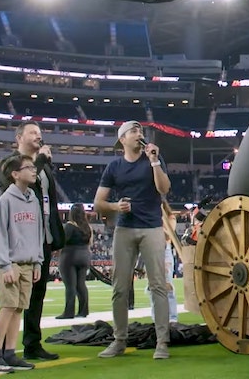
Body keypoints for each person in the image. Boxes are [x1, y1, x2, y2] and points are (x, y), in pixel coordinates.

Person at [94, 121, 171, 360]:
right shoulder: (114, 167)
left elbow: (164, 189)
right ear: (123, 140)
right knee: (120, 287)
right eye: (134, 131)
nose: (139, 134)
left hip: (151, 227)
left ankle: (162, 342)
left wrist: (155, 161)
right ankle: (119, 340)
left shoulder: (152, 160)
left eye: (140, 131)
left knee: (158, 285)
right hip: (125, 228)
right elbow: (98, 202)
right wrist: (116, 206)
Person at [0, 122, 64, 361]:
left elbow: (49, 203)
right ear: (19, 137)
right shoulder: (11, 164)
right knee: (14, 299)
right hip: (20, 240)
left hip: (41, 237)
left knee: (37, 294)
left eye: (39, 132)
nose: (39, 136)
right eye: (33, 132)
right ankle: (4, 348)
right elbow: (16, 188)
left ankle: (31, 343)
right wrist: (40, 162)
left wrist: (55, 235)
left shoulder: (43, 167)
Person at [0, 155, 45, 375]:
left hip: (29, 263)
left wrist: (38, 261)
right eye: (28, 167)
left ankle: (10, 353)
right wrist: (4, 264)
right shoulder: (6, 200)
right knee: (8, 307)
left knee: (19, 308)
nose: (33, 170)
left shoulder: (34, 199)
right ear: (15, 174)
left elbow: (37, 233)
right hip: (11, 263)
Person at [56, 203, 91, 319]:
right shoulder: (87, 227)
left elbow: (62, 242)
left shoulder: (69, 226)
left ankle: (69, 312)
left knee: (70, 286)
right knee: (81, 284)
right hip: (84, 255)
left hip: (70, 256)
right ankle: (83, 310)